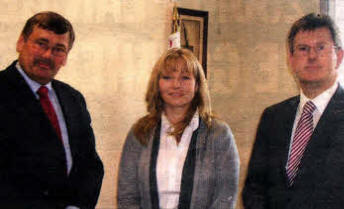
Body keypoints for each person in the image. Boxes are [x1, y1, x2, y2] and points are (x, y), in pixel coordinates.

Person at [0, 11, 104, 209]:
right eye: (41, 44)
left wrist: (77, 206)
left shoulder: (73, 99)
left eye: (58, 49)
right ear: (21, 43)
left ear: (65, 57)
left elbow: (90, 165)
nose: (48, 55)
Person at [242, 13, 344, 209]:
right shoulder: (272, 117)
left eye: (321, 48)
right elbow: (253, 189)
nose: (312, 56)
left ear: (338, 56)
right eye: (303, 49)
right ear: (290, 59)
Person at [117, 48, 239, 209]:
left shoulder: (219, 134)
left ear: (197, 85)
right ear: (157, 84)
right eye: (167, 77)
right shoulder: (139, 133)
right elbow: (127, 197)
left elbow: (225, 198)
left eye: (185, 78)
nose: (176, 85)